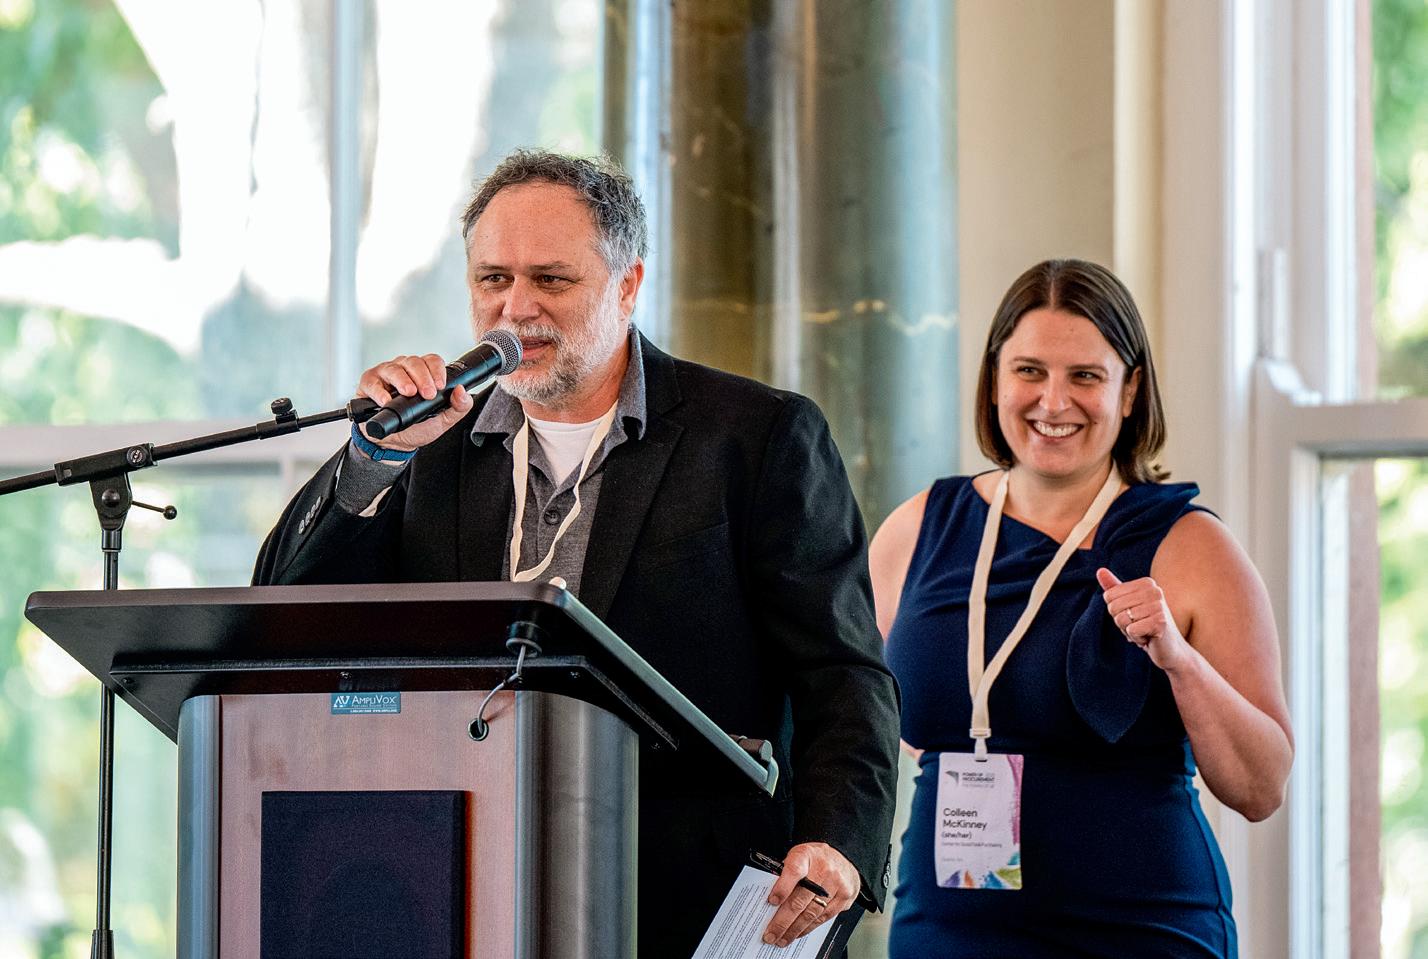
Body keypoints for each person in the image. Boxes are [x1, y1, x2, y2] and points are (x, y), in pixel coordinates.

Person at [253, 149, 901, 955]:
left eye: (550, 280)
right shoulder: (425, 441)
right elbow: (282, 615)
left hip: (680, 893)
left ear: (628, 286)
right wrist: (373, 457)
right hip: (451, 883)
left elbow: (842, 670)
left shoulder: (756, 436)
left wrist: (839, 840)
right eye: (493, 279)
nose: (515, 309)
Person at [870, 259, 1293, 957]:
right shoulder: (915, 529)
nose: (1054, 400)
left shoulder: (1193, 547)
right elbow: (868, 719)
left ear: (1130, 392)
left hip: (1140, 929)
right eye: (1029, 371)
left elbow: (1261, 785)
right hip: (948, 926)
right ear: (996, 380)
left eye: (1086, 376)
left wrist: (1180, 663)